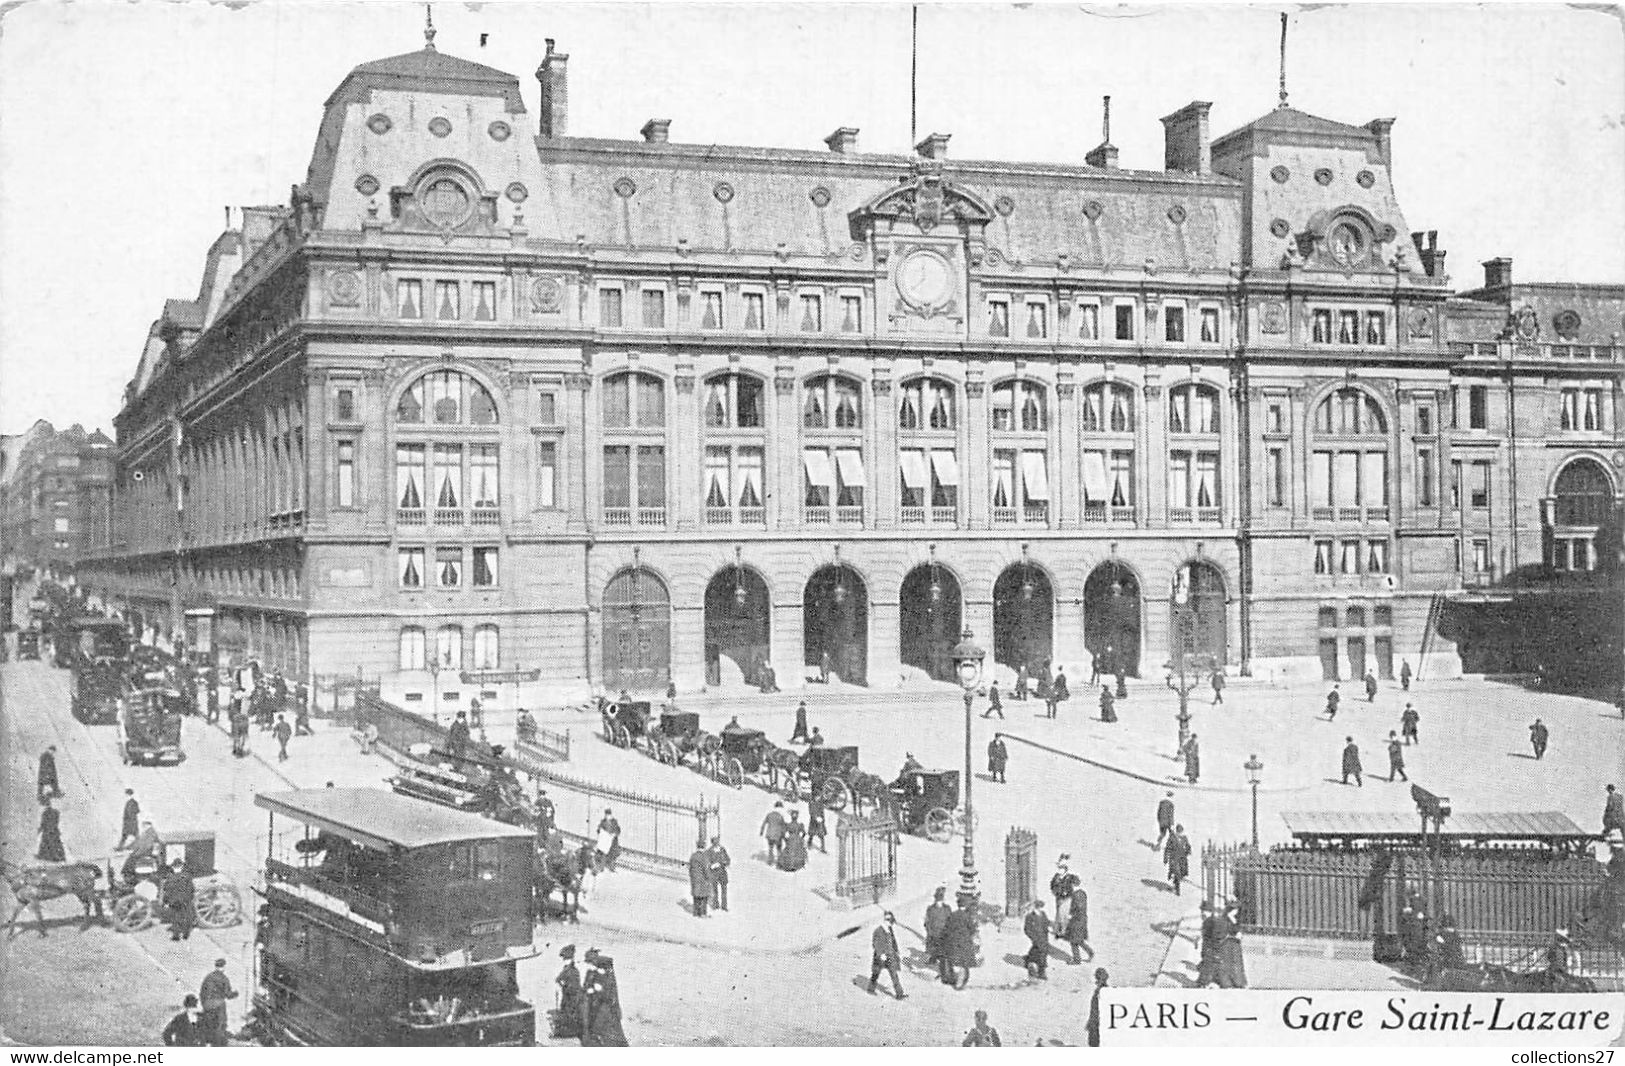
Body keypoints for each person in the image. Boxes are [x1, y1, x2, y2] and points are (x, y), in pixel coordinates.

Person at [582, 953, 628, 1046]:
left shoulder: (608, 978)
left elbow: (609, 996)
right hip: (603, 1008)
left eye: (599, 968)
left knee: (607, 1030)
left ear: (603, 968)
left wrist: (599, 990)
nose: (598, 970)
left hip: (607, 1009)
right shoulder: (604, 976)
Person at [199, 958, 238, 1046]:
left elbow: (202, 992)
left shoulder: (208, 977)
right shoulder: (224, 978)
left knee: (208, 1025)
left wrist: (204, 1004)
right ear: (223, 967)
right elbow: (228, 995)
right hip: (218, 1004)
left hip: (207, 1004)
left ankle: (206, 1043)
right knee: (220, 1026)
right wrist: (235, 994)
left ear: (216, 966)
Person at [868, 911, 906, 999]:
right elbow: (876, 943)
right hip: (881, 957)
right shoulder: (878, 930)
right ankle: (870, 989)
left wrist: (896, 951)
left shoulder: (889, 929)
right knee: (876, 973)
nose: (890, 923)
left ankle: (899, 994)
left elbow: (893, 941)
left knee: (894, 974)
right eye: (889, 920)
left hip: (890, 955)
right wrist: (881, 954)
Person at [942, 902, 977, 990]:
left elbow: (947, 928)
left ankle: (954, 979)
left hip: (953, 942)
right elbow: (972, 929)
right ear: (965, 906)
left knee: (954, 962)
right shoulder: (967, 916)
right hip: (964, 943)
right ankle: (959, 983)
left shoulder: (952, 915)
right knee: (963, 964)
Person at [552, 946, 583, 1039]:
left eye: (566, 959)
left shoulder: (573, 971)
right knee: (566, 1012)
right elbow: (558, 978)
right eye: (564, 959)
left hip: (572, 997)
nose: (565, 961)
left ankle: (569, 1032)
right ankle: (566, 1031)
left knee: (570, 1013)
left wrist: (563, 985)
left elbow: (573, 987)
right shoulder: (568, 969)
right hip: (568, 996)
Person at [1216, 899, 1248, 988]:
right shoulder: (1224, 919)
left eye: (1237, 909)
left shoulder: (1235, 919)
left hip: (1235, 944)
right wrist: (1232, 934)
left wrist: (1240, 933)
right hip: (1227, 944)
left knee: (1237, 963)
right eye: (1235, 909)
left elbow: (1239, 928)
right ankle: (1227, 983)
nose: (1236, 911)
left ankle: (1239, 982)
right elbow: (1221, 933)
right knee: (1227, 963)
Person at [924, 887, 953, 984]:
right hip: (935, 936)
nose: (939, 900)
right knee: (943, 957)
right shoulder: (931, 909)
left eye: (941, 898)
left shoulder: (947, 909)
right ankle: (945, 976)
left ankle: (946, 974)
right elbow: (927, 923)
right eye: (938, 898)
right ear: (935, 899)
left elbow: (950, 922)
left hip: (944, 936)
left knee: (944, 956)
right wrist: (930, 933)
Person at [163, 857, 195, 941]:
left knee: (175, 918)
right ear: (181, 867)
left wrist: (165, 901)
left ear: (173, 867)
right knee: (186, 917)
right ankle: (185, 934)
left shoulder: (170, 877)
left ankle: (176, 935)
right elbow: (191, 889)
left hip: (174, 901)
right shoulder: (187, 876)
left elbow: (166, 890)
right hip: (185, 900)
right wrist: (189, 899)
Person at [1049, 856, 1079, 935]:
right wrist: (1054, 892)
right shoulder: (1056, 876)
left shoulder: (1069, 877)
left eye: (1061, 869)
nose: (1059, 871)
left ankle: (1063, 930)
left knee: (1064, 914)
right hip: (1058, 898)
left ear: (1065, 870)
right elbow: (1052, 885)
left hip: (1067, 898)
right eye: (1059, 869)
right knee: (1058, 913)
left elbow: (1077, 882)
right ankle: (1057, 929)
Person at [1064, 882, 1093, 964]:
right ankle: (1090, 952)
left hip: (1076, 921)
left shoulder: (1076, 895)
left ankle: (1077, 960)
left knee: (1073, 941)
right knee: (1079, 940)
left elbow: (1078, 908)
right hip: (1082, 920)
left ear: (1073, 885)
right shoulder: (1082, 893)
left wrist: (1071, 915)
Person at [1022, 900, 1051, 979]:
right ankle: (1041, 972)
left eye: (1040, 907)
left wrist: (1051, 926)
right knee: (1041, 951)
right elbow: (1027, 929)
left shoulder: (1043, 914)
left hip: (1044, 936)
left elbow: (1046, 923)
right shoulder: (1030, 916)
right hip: (1036, 937)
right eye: (1037, 907)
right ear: (1034, 907)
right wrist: (1033, 937)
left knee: (1041, 951)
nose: (1039, 909)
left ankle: (1029, 960)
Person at [1194, 901, 1220, 986]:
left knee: (1208, 964)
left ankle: (1203, 982)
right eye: (1202, 911)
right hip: (1206, 945)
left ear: (1210, 912)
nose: (1203, 913)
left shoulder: (1212, 922)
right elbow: (1202, 931)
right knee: (1206, 961)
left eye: (1205, 911)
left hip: (1211, 946)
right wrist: (1198, 940)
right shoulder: (1206, 921)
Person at [37, 796, 66, 862]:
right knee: (54, 843)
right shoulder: (54, 812)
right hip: (52, 830)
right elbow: (46, 823)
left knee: (52, 843)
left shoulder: (47, 813)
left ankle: (54, 857)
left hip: (49, 831)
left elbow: (44, 823)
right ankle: (56, 857)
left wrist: (40, 829)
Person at [687, 842, 713, 917]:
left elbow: (690, 868)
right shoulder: (704, 856)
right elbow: (706, 869)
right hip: (702, 879)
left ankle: (696, 912)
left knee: (696, 896)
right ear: (704, 847)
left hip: (694, 879)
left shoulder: (693, 856)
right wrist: (709, 877)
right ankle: (703, 913)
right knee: (704, 897)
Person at [1165, 824, 1191, 896]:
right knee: (1176, 872)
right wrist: (1166, 857)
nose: (1180, 832)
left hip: (1182, 858)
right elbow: (1168, 847)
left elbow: (1188, 845)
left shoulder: (1184, 837)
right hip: (1174, 857)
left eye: (1181, 831)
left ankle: (1175, 884)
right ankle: (1177, 889)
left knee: (1181, 873)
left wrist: (1188, 851)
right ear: (1177, 831)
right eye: (1179, 831)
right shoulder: (1172, 837)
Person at [1086, 969, 1109, 1048]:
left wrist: (1092, 1020)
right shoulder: (1102, 990)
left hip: (1098, 1022)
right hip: (1095, 1021)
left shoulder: (1102, 991)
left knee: (1095, 1042)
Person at [707, 836, 730, 912]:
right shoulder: (709, 851)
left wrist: (725, 863)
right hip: (714, 873)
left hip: (722, 872)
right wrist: (712, 865)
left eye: (717, 842)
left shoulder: (722, 849)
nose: (717, 843)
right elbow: (707, 862)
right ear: (712, 843)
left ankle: (724, 906)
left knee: (724, 890)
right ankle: (716, 905)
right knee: (714, 889)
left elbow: (728, 859)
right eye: (715, 842)